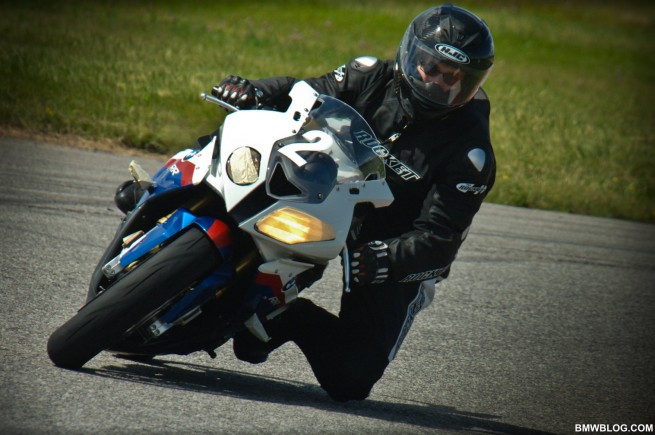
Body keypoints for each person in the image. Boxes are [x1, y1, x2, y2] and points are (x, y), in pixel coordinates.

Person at [213, 3, 496, 402]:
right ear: (411, 55)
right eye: (432, 68)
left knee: (351, 377)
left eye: (453, 78)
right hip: (324, 189)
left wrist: (389, 258)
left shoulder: (471, 153)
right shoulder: (370, 75)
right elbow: (303, 94)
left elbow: (441, 240)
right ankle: (166, 193)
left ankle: (286, 317)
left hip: (388, 236)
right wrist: (257, 90)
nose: (438, 84)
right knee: (244, 150)